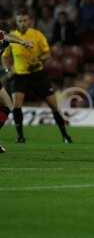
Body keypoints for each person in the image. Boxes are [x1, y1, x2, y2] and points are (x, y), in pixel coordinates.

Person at [1, 8, 72, 144]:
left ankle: (65, 135)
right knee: (16, 105)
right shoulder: (12, 36)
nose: (23, 23)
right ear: (16, 22)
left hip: (37, 73)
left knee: (53, 106)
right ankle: (20, 136)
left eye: (25, 20)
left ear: (30, 21)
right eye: (20, 21)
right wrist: (7, 69)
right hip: (19, 75)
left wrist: (39, 60)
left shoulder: (37, 35)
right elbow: (5, 57)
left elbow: (47, 53)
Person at [0, 29, 32, 152]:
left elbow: (8, 37)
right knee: (8, 105)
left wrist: (23, 42)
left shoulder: (2, 36)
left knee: (6, 106)